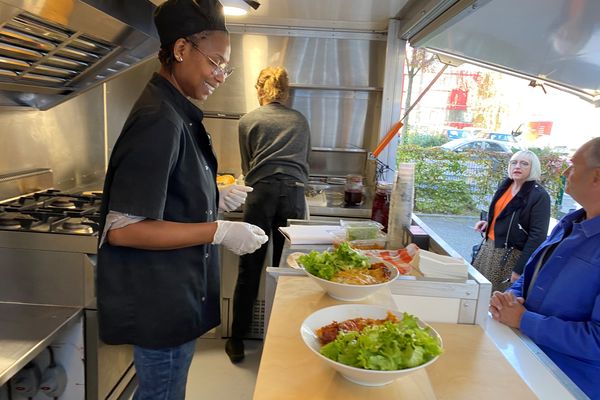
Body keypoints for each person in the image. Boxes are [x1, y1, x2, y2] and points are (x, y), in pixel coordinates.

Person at [96, 1, 268, 399]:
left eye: (226, 67)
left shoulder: (174, 109)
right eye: (216, 62)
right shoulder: (160, 118)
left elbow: (168, 192)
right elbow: (125, 229)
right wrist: (218, 230)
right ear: (180, 50)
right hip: (161, 305)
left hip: (171, 300)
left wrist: (211, 196)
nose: (221, 76)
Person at [489, 137, 600, 399]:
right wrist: (510, 298)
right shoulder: (571, 223)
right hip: (526, 361)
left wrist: (524, 320)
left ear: (597, 177)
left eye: (573, 166)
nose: (564, 173)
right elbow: (532, 275)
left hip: (570, 384)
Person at [225, 66, 311, 363]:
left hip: (260, 193)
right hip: (294, 194)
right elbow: (304, 159)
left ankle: (236, 341)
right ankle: (280, 341)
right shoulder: (299, 120)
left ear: (259, 90)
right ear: (285, 92)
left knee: (250, 267)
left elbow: (248, 167)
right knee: (287, 271)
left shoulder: (248, 120)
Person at [472, 150, 551, 292]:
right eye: (514, 162)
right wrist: (488, 223)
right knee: (478, 293)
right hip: (488, 248)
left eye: (524, 163)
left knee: (495, 301)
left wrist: (520, 269)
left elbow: (538, 236)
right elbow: (501, 213)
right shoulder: (505, 185)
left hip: (510, 256)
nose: (517, 166)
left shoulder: (539, 195)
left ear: (533, 168)